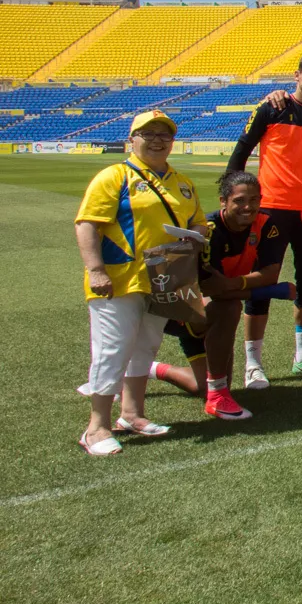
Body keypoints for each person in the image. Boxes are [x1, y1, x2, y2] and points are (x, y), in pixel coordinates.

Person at [75, 112, 207, 454]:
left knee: (146, 346)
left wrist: (196, 238)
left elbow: (199, 223)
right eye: (148, 133)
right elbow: (87, 224)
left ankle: (132, 414)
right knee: (111, 350)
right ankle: (96, 428)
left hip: (164, 279)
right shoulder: (114, 176)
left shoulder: (183, 182)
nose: (158, 139)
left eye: (165, 134)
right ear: (131, 139)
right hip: (119, 280)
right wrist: (96, 270)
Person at [226, 52, 302, 380]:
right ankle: (253, 363)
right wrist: (229, 202)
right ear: (297, 76)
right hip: (271, 209)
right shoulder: (271, 107)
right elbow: (241, 152)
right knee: (261, 283)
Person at [195, 171, 292, 418]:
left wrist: (233, 284)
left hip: (216, 301)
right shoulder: (208, 230)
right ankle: (216, 397)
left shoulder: (266, 224)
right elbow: (209, 289)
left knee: (202, 384)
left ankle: (156, 369)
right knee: (228, 308)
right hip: (186, 308)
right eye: (239, 200)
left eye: (254, 200)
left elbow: (270, 272)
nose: (247, 207)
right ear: (223, 201)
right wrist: (269, 291)